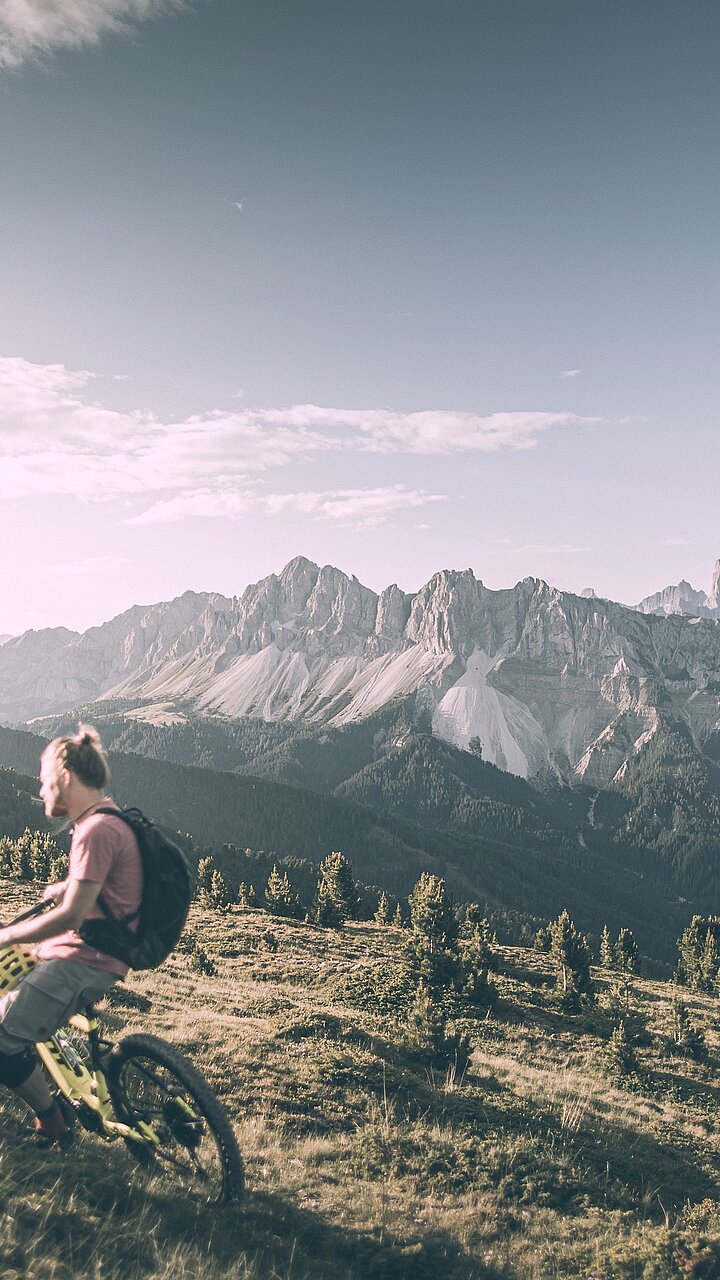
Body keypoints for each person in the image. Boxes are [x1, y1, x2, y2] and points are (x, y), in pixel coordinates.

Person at [0, 726, 142, 1149]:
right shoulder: (109, 816)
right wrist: (67, 886)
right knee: (19, 973)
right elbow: (105, 884)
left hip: (86, 958)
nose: (41, 791)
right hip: (95, 950)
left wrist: (6, 934)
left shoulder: (94, 830)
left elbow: (72, 917)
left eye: (44, 781)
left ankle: (53, 1122)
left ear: (65, 779)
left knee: (2, 1039)